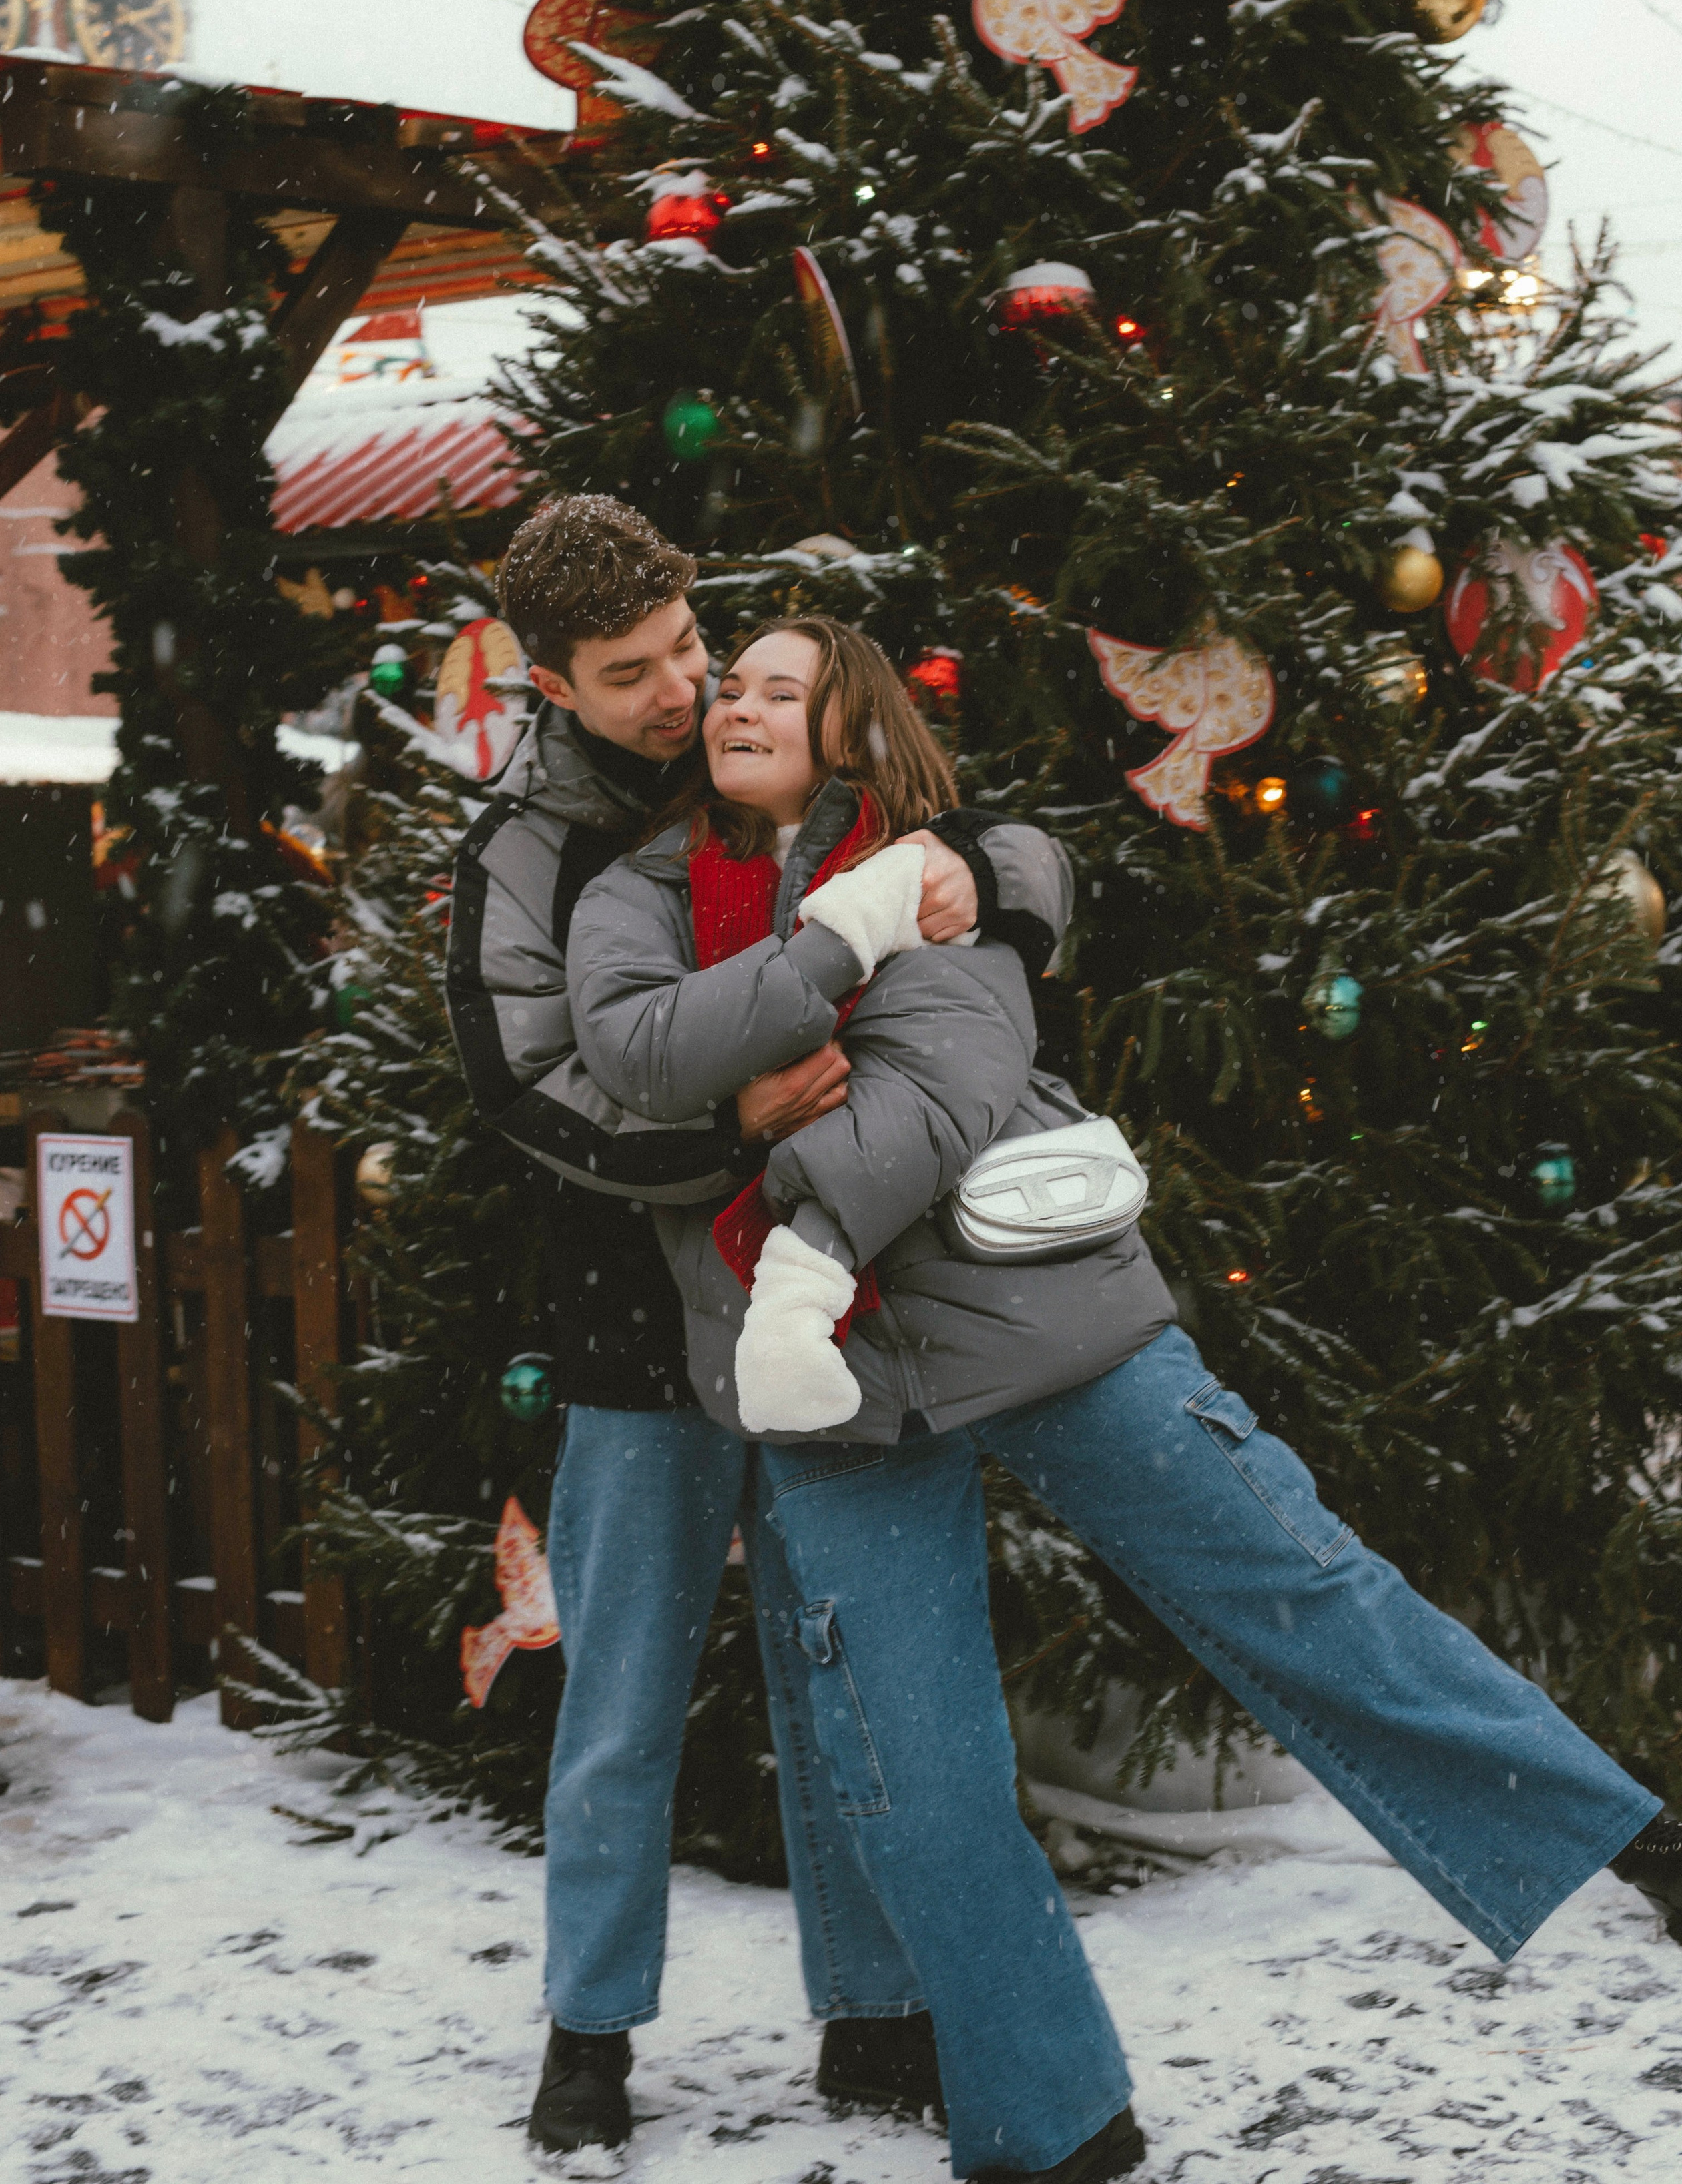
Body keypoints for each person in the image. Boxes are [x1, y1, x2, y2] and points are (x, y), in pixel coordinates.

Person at [566, 612, 1682, 2184]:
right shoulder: (640, 896)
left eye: (780, 687)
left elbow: (949, 1071)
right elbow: (638, 1055)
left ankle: (1619, 1836)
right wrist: (833, 944)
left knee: (1300, 1586)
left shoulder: (950, 858)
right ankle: (1052, 2132)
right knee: (915, 1777)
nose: (737, 703)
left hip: (1045, 1318)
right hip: (828, 1397)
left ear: (853, 725)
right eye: (726, 685)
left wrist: (805, 1191)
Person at [445, 498, 1078, 2156]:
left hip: (825, 1293)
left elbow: (973, 829)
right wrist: (726, 1129)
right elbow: (529, 1090)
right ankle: (588, 2028)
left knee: (840, 1670)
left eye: (688, 650)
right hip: (633, 1323)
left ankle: (871, 2008)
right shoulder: (530, 851)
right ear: (554, 682)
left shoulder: (762, 743)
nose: (682, 693)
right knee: (625, 1685)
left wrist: (993, 889)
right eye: (631, 674)